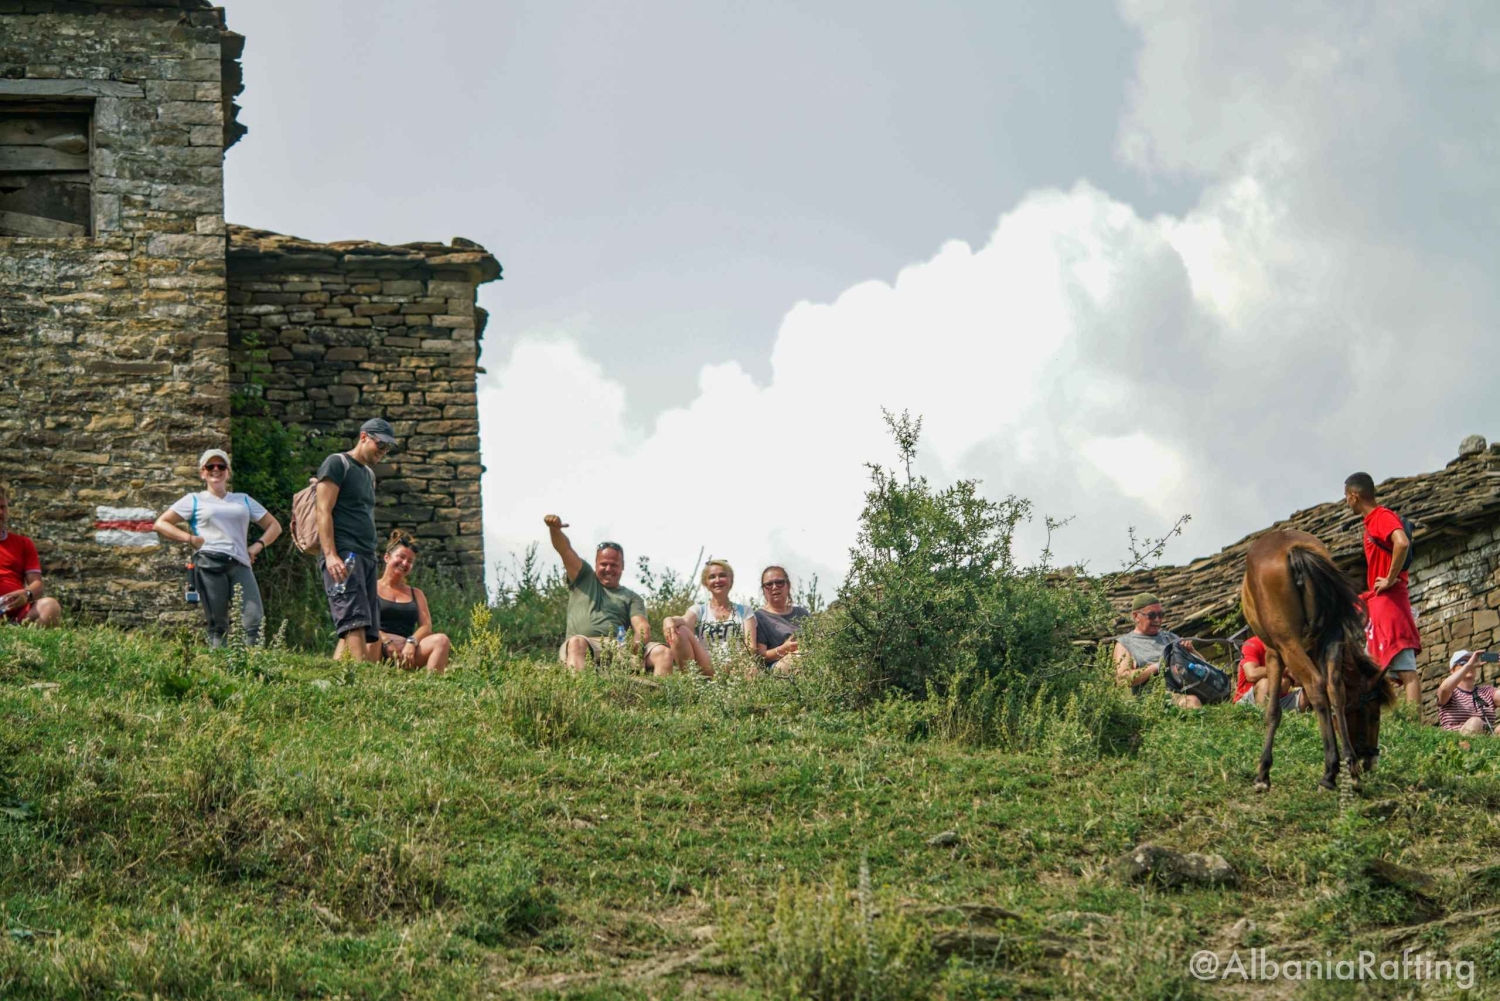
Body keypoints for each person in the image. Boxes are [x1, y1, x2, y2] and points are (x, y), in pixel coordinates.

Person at [153, 449, 280, 647]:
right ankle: (220, 669)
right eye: (209, 466)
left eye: (221, 466)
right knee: (218, 623)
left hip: (240, 563)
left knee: (253, 619)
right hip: (209, 562)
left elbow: (274, 526)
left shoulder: (243, 499)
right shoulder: (194, 499)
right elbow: (161, 523)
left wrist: (257, 546)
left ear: (228, 472)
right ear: (202, 472)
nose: (215, 470)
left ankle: (253, 668)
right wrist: (190, 538)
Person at [545, 514, 671, 675]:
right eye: (603, 564)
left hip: (619, 646)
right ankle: (581, 696)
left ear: (622, 566)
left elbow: (641, 626)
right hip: (585, 643)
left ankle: (662, 697)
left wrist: (637, 643)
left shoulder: (631, 597)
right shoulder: (583, 577)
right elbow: (564, 550)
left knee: (663, 653)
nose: (608, 569)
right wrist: (554, 530)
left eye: (614, 565)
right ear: (596, 564)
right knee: (576, 642)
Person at [316, 418, 395, 662]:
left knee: (359, 623)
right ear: (363, 437)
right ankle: (362, 684)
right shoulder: (337, 463)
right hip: (343, 554)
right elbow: (323, 510)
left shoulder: (369, 474)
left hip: (366, 557)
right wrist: (330, 555)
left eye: (387, 448)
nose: (382, 452)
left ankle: (339, 681)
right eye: (379, 444)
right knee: (354, 619)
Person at [1344, 472, 1423, 704]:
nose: (1347, 502)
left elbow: (1402, 542)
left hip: (1390, 602)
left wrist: (1389, 578)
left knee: (1406, 669)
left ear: (1354, 495)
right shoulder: (1373, 521)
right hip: (1381, 602)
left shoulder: (1381, 516)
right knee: (1378, 670)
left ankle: (1413, 726)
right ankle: (1387, 723)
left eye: (1346, 497)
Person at [358, 530, 451, 673]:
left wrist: (411, 642)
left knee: (441, 640)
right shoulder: (370, 587)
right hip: (377, 647)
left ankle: (433, 687)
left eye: (410, 561)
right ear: (387, 557)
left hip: (405, 652)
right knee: (371, 637)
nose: (404, 563)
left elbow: (426, 627)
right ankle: (369, 679)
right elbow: (364, 622)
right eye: (401, 557)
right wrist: (387, 641)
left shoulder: (416, 593)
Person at [1112, 593, 1203, 709]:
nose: (1157, 620)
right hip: (1154, 697)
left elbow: (1205, 668)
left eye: (1160, 615)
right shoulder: (1125, 644)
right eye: (1151, 615)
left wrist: (1192, 651)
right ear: (1136, 616)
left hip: (1189, 688)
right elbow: (1122, 680)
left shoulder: (1170, 637)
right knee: (1192, 702)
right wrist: (1156, 666)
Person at [663, 559, 752, 675]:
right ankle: (690, 682)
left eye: (722, 576)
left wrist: (732, 665)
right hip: (706, 663)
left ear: (731, 580)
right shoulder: (699, 610)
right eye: (712, 577)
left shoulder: (744, 611)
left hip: (737, 666)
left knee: (751, 668)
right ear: (706, 583)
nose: (717, 580)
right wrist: (669, 620)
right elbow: (684, 620)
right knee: (680, 631)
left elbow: (751, 647)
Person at [0, 486, 62, 628]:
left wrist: (26, 594)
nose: (0, 512)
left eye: (3, 507)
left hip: (16, 613)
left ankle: (15, 633)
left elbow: (37, 585)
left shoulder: (23, 543)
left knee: (50, 606)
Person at [750, 565, 808, 671]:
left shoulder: (802, 613)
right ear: (763, 590)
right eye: (769, 584)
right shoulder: (759, 617)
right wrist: (783, 649)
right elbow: (759, 657)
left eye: (780, 582)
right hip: (777, 668)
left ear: (788, 585)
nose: (774, 587)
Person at [1233, 634, 1305, 711]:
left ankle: (1280, 716)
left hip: (1279, 700)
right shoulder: (1251, 644)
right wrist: (1285, 670)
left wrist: (1296, 679)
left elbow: (1300, 679)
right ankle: (1263, 720)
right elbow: (1251, 674)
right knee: (1265, 683)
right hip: (1249, 701)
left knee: (1314, 688)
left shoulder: (1287, 647)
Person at [1437, 650, 1497, 735]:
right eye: (1463, 663)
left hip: (1487, 742)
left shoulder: (1487, 692)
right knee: (1475, 722)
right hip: (1456, 743)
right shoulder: (1452, 692)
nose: (1471, 665)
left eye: (1472, 662)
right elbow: (1444, 689)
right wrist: (1468, 666)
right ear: (1452, 670)